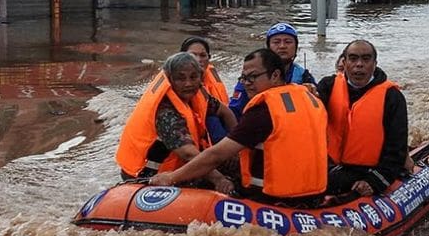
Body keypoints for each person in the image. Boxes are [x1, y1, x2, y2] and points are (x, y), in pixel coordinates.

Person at [149, 48, 328, 204]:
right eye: (244, 78)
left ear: (275, 75)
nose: (247, 83)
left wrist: (171, 178)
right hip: (314, 194)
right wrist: (238, 138)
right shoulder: (310, 97)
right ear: (170, 80)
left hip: (273, 198)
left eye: (253, 77)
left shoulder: (263, 111)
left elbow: (215, 155)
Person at [315, 40, 409, 197]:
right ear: (344, 63)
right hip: (330, 165)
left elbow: (396, 148)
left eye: (366, 59)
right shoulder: (327, 86)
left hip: (368, 170)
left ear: (375, 63)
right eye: (353, 58)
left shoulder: (392, 97)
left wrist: (375, 181)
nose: (359, 65)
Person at [115, 52, 212, 181]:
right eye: (181, 79)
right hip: (145, 177)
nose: (188, 83)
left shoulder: (196, 93)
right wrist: (219, 179)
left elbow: (224, 111)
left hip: (174, 169)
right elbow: (188, 153)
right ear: (170, 80)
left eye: (193, 77)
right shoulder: (165, 111)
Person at [228, 22, 316, 118]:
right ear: (268, 47)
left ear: (296, 47)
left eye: (288, 42)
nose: (282, 46)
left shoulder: (304, 76)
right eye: (276, 42)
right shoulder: (251, 76)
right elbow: (235, 111)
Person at [180, 36, 237, 141]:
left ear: (209, 58)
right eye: (193, 55)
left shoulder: (205, 93)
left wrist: (236, 141)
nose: (198, 60)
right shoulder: (175, 86)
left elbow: (226, 112)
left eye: (203, 55)